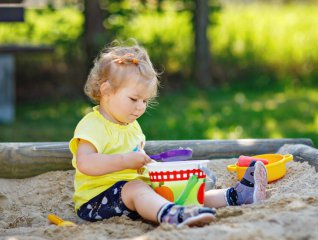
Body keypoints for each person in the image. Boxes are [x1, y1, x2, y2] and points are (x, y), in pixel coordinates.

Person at [69, 41, 268, 227]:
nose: (140, 107)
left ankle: (234, 196)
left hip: (134, 194)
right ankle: (172, 215)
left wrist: (155, 168)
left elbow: (138, 167)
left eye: (145, 101)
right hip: (96, 201)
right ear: (106, 91)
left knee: (175, 190)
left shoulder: (132, 126)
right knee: (136, 188)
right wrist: (125, 160)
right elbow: (86, 163)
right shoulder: (92, 125)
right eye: (134, 99)